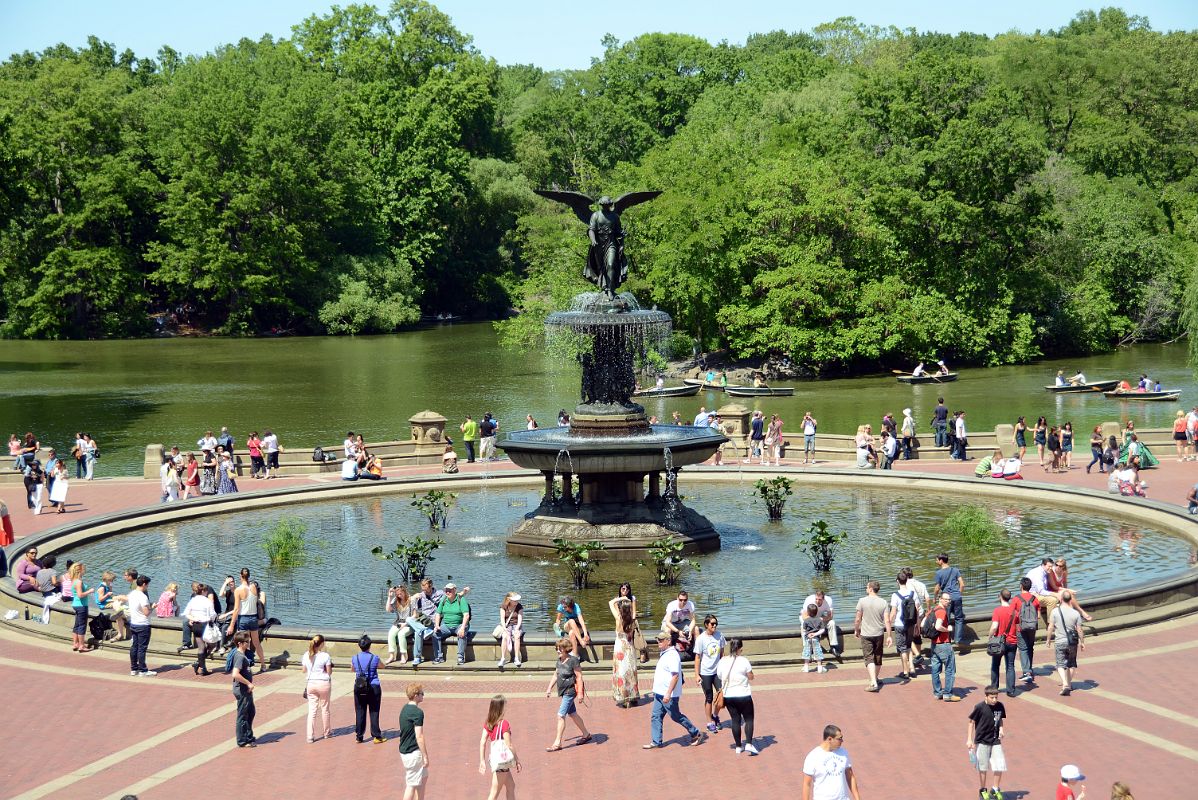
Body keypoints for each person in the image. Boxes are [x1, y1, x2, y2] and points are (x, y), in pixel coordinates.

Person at [644, 631, 705, 749]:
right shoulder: (665, 653)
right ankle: (656, 741)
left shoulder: (672, 656)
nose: (658, 642)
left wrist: (668, 693)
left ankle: (695, 732)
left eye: (661, 640)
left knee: (675, 716)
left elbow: (675, 676)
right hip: (659, 693)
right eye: (658, 640)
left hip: (668, 695)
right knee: (656, 716)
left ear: (668, 641)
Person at [545, 637, 592, 751]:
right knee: (573, 714)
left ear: (566, 649)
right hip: (563, 691)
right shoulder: (559, 660)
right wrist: (549, 688)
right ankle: (586, 734)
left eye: (560, 648)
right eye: (557, 648)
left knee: (560, 716)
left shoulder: (573, 660)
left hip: (570, 691)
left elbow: (579, 677)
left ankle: (557, 743)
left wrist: (580, 693)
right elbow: (556, 675)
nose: (558, 650)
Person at [716, 637, 756, 754]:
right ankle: (748, 743)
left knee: (735, 720)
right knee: (748, 719)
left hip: (729, 695)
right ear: (740, 649)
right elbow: (751, 676)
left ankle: (738, 746)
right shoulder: (744, 661)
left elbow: (719, 676)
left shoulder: (723, 661)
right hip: (743, 694)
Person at [967, 686, 1008, 800]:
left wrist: (1001, 729)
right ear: (986, 696)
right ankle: (983, 790)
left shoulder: (1000, 706)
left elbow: (1000, 720)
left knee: (1000, 765)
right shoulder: (979, 707)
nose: (994, 700)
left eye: (996, 697)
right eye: (992, 697)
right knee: (983, 767)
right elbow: (971, 722)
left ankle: (995, 789)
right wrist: (969, 739)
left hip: (995, 740)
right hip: (982, 741)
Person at [802, 724, 860, 800]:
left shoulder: (843, 752)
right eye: (839, 738)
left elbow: (850, 777)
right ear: (829, 739)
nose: (842, 741)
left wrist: (857, 798)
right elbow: (807, 784)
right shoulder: (813, 756)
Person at [479, 694, 520, 800]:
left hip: (496, 759)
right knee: (493, 794)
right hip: (502, 761)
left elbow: (482, 742)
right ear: (501, 708)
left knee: (511, 786)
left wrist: (482, 761)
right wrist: (517, 760)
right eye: (505, 706)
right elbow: (509, 744)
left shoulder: (488, 722)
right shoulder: (504, 723)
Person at [1045, 590, 1084, 696]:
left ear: (1061, 599)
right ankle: (1069, 684)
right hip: (1072, 642)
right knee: (1072, 663)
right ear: (1070, 600)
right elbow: (1079, 629)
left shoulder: (1055, 612)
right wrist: (1082, 642)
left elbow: (1050, 627)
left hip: (1059, 641)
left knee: (1060, 664)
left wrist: (1048, 639)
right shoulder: (1076, 613)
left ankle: (1065, 683)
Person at [226, 568, 266, 670]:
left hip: (243, 618)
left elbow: (236, 609)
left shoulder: (238, 590)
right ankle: (263, 664)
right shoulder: (253, 587)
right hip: (253, 618)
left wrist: (231, 625)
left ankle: (247, 666)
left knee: (244, 644)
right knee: (256, 642)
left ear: (240, 576)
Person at [854, 581, 890, 692]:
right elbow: (887, 620)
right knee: (878, 657)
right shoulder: (884, 602)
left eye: (866, 587)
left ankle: (873, 682)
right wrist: (889, 635)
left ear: (870, 589)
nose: (866, 589)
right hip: (879, 633)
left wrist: (856, 629)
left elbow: (858, 619)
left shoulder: (862, 601)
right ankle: (875, 678)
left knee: (868, 657)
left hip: (866, 634)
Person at [693, 614, 725, 733]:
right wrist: (697, 675)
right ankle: (709, 722)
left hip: (717, 672)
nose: (714, 626)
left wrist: (724, 668)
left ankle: (715, 716)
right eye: (712, 624)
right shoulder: (701, 639)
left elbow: (722, 654)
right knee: (709, 697)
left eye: (716, 623)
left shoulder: (720, 636)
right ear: (706, 625)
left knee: (722, 694)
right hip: (705, 673)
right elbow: (697, 657)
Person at [350, 634, 385, 743]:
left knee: (360, 710)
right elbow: (382, 666)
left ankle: (359, 736)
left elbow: (352, 669)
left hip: (359, 686)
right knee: (374, 711)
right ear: (370, 646)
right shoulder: (374, 658)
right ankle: (376, 735)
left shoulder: (354, 658)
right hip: (373, 686)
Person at [888, 572, 923, 680]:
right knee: (908, 646)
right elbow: (916, 611)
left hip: (900, 624)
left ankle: (905, 671)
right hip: (911, 624)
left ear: (897, 581)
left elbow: (893, 612)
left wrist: (888, 622)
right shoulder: (913, 594)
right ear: (906, 580)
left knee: (902, 649)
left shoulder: (895, 595)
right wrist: (918, 625)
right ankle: (912, 668)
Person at [225, 631, 257, 748]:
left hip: (245, 689)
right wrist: (248, 683)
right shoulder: (239, 656)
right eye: (247, 642)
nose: (249, 643)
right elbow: (235, 674)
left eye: (249, 641)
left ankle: (248, 735)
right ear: (240, 643)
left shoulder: (243, 655)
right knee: (243, 715)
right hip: (242, 689)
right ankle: (242, 740)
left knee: (250, 712)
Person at [299, 634, 333, 742]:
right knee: (325, 709)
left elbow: (303, 670)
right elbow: (329, 672)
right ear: (322, 644)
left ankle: (310, 736)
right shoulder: (325, 656)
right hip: (323, 683)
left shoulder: (306, 655)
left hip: (311, 684)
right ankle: (327, 732)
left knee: (312, 711)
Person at [399, 683, 429, 800]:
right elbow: (419, 736)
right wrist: (425, 756)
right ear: (416, 695)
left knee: (423, 777)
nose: (423, 695)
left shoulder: (404, 709)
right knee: (411, 785)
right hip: (413, 753)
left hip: (405, 750)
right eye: (422, 693)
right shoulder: (418, 713)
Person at [988, 590, 1020, 697]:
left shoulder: (997, 610)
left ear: (1000, 597)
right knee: (1010, 666)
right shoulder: (1015, 611)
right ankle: (1010, 690)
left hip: (999, 642)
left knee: (995, 664)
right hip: (1012, 641)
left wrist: (990, 636)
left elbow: (994, 626)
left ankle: (994, 687)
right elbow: (1017, 626)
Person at [610, 595, 640, 707]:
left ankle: (623, 697)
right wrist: (631, 601)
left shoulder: (618, 618)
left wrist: (619, 599)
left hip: (620, 649)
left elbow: (610, 603)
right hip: (630, 649)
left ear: (621, 609)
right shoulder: (632, 619)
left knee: (621, 673)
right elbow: (634, 611)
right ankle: (632, 696)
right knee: (631, 672)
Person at [433, 581, 471, 664]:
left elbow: (466, 615)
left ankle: (460, 657)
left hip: (459, 624)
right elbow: (438, 614)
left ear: (455, 590)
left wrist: (462, 628)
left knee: (461, 634)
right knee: (435, 634)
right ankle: (438, 657)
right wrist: (436, 625)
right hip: (446, 625)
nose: (448, 592)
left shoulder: (461, 599)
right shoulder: (443, 600)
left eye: (450, 590)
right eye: (446, 590)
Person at [1011, 577, 1041, 683]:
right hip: (1032, 627)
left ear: (1021, 586)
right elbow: (1038, 616)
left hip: (1020, 627)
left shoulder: (1016, 599)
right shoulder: (1035, 599)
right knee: (1030, 647)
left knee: (1023, 649)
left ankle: (1026, 672)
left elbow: (1013, 615)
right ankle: (1030, 669)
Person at [929, 592, 957, 700]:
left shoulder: (933, 610)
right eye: (945, 599)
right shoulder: (941, 612)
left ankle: (937, 692)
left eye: (949, 600)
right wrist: (947, 630)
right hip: (944, 644)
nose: (948, 601)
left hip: (934, 644)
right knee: (950, 669)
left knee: (935, 669)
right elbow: (938, 626)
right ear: (940, 599)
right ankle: (948, 694)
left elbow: (923, 624)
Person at [184, 583, 217, 675]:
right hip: (205, 625)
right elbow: (213, 614)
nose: (207, 593)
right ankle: (200, 664)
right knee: (212, 644)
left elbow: (186, 613)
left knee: (201, 647)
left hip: (196, 625)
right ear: (203, 591)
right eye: (206, 591)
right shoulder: (207, 601)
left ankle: (202, 667)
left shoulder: (193, 600)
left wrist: (193, 618)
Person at [933, 553, 966, 645]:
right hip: (957, 597)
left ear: (941, 561)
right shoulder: (955, 570)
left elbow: (937, 588)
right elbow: (962, 584)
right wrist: (959, 593)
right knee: (959, 618)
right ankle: (958, 640)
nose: (936, 562)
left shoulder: (939, 573)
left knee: (945, 618)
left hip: (946, 599)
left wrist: (935, 598)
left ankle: (946, 639)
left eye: (937, 560)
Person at [127, 574, 155, 676]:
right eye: (147, 585)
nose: (147, 587)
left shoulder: (131, 594)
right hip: (143, 624)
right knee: (142, 648)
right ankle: (143, 670)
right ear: (144, 584)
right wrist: (153, 607)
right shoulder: (143, 597)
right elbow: (146, 612)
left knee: (134, 646)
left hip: (134, 623)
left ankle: (134, 668)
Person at [803, 589, 842, 662]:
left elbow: (830, 616)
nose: (817, 601)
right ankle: (807, 648)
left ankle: (833, 647)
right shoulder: (809, 600)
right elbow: (804, 616)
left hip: (820, 617)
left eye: (820, 599)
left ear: (823, 599)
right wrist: (815, 620)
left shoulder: (829, 600)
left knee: (832, 622)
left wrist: (822, 619)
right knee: (803, 625)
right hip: (808, 618)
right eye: (816, 599)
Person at [68, 562, 95, 652]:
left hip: (76, 604)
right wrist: (90, 591)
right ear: (80, 570)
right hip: (81, 605)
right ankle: (82, 646)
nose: (85, 570)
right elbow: (80, 595)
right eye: (84, 569)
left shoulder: (74, 580)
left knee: (77, 625)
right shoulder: (79, 582)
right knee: (82, 626)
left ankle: (75, 644)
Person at [386, 584, 414, 666]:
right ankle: (392, 655)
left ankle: (404, 655)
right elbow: (388, 610)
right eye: (397, 594)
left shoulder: (411, 600)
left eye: (400, 594)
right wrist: (389, 597)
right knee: (391, 634)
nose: (399, 596)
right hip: (398, 622)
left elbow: (414, 616)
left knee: (401, 634)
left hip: (409, 623)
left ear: (404, 592)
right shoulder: (396, 600)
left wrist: (405, 624)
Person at [496, 592, 523, 668]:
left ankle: (516, 658)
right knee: (504, 636)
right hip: (507, 625)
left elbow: (520, 619)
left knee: (517, 636)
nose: (516, 602)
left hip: (516, 624)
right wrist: (505, 629)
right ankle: (503, 658)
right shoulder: (503, 606)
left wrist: (517, 628)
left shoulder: (519, 606)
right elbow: (502, 619)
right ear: (509, 600)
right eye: (515, 600)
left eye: (517, 600)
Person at [802, 603, 827, 673]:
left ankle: (806, 667)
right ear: (816, 612)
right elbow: (822, 630)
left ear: (808, 612)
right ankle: (819, 667)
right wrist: (815, 634)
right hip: (816, 638)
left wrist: (808, 634)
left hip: (808, 638)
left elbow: (804, 630)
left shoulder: (806, 620)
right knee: (818, 651)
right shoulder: (820, 620)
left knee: (807, 651)